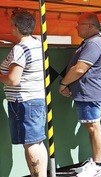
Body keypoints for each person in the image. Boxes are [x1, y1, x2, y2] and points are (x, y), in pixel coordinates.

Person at [59, 13, 101, 176]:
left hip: (90, 92)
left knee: (93, 126)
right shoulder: (92, 42)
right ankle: (96, 161)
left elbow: (80, 68)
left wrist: (64, 83)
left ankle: (98, 164)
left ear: (90, 26)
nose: (76, 27)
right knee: (92, 126)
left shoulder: (93, 43)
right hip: (88, 92)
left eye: (79, 24)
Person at [1, 10, 47, 177]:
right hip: (36, 99)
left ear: (15, 27)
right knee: (37, 143)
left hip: (23, 101)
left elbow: (13, 80)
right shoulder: (37, 43)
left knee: (31, 145)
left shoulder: (20, 48)